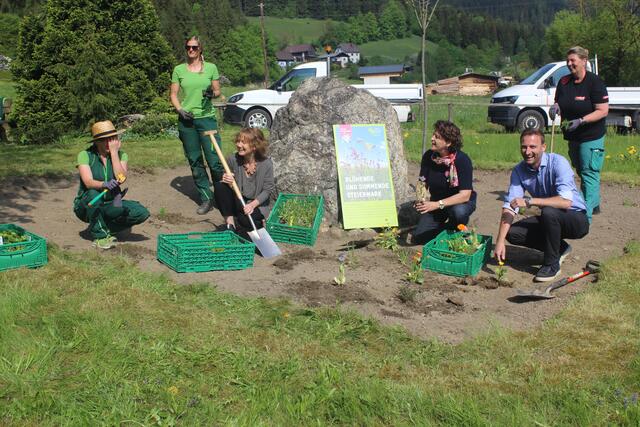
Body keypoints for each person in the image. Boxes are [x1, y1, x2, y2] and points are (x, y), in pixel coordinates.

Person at [494, 129, 590, 282]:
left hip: (576, 219)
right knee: (512, 233)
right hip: (550, 218)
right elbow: (510, 206)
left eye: (533, 147)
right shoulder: (519, 170)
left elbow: (565, 202)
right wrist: (500, 241)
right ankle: (561, 249)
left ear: (543, 147)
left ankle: (551, 265)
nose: (527, 151)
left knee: (549, 212)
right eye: (524, 147)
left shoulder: (559, 163)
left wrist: (530, 201)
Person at [549, 46, 608, 221]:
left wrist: (582, 120)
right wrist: (555, 108)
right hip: (572, 136)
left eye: (573, 60)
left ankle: (584, 217)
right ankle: (593, 202)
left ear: (584, 61)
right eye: (568, 60)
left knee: (589, 173)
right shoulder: (564, 82)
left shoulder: (594, 83)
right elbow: (558, 102)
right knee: (581, 170)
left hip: (591, 136)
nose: (569, 64)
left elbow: (603, 110)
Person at [73, 120, 150, 249]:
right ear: (97, 142)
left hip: (114, 200)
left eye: (113, 138)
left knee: (141, 212)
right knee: (92, 193)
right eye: (106, 139)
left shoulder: (121, 155)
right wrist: (104, 184)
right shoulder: (85, 155)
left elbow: (121, 178)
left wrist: (114, 153)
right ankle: (100, 237)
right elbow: (88, 182)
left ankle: (102, 226)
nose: (111, 142)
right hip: (87, 204)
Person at [170, 35, 224, 215]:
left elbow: (217, 91)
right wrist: (180, 110)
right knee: (195, 160)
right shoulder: (179, 70)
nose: (190, 50)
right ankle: (206, 197)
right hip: (187, 121)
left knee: (215, 160)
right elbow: (173, 95)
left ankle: (223, 195)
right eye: (188, 47)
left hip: (207, 118)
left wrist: (212, 93)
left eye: (194, 47)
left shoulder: (211, 68)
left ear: (200, 49)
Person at [411, 120, 476, 245]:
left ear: (448, 142)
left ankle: (459, 225)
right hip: (437, 202)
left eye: (437, 137)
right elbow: (422, 182)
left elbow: (465, 195)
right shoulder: (429, 157)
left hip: (459, 203)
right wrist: (421, 199)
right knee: (419, 237)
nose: (432, 138)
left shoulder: (462, 160)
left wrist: (436, 204)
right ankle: (450, 232)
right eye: (433, 135)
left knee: (459, 212)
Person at [214, 128, 275, 237]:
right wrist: (227, 180)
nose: (238, 144)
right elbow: (228, 183)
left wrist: (252, 205)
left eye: (243, 142)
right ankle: (230, 225)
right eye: (238, 141)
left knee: (246, 222)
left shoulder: (266, 164)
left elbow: (268, 189)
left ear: (254, 146)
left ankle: (253, 222)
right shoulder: (233, 159)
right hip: (239, 200)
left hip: (256, 204)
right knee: (220, 186)